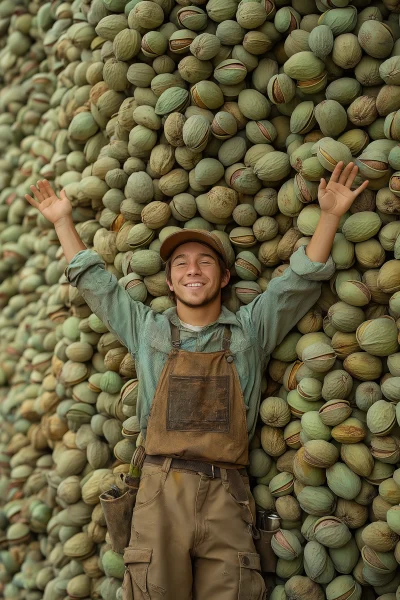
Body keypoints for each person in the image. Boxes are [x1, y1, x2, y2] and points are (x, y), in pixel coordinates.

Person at [25, 161, 368, 600]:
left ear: (224, 277)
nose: (193, 270)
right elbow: (98, 286)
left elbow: (297, 284)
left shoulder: (249, 332)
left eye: (205, 262)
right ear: (169, 282)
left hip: (228, 493)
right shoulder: (147, 330)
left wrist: (332, 216)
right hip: (159, 491)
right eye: (181, 264)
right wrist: (63, 221)